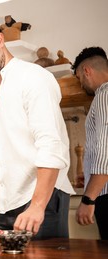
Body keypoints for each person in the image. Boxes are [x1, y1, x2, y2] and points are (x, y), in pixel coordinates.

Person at [0, 14, 75, 239]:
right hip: (4, 203)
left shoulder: (34, 78)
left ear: (0, 40)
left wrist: (37, 206)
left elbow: (51, 145)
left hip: (42, 199)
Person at [72, 46, 108, 240]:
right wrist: (89, 178)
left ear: (87, 71)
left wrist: (88, 197)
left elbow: (106, 149)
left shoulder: (104, 94)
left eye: (79, 78)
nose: (81, 85)